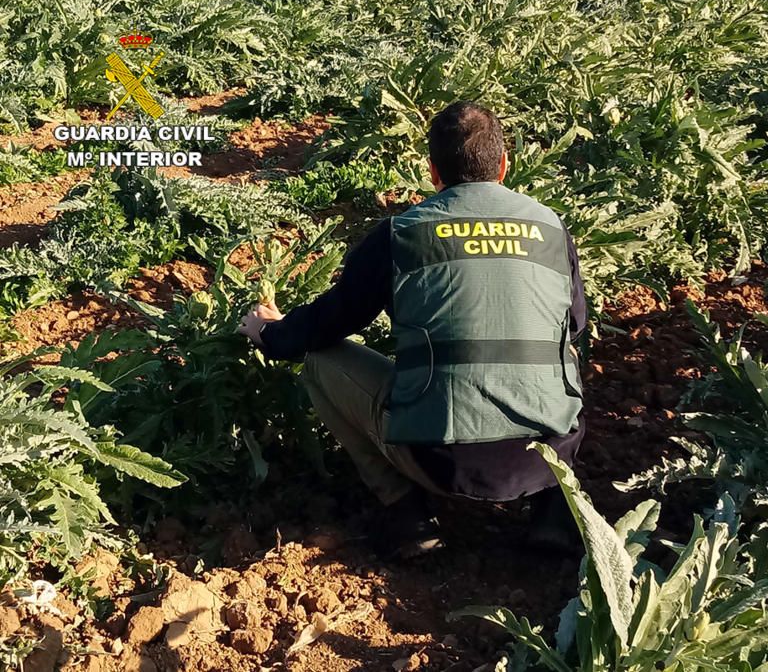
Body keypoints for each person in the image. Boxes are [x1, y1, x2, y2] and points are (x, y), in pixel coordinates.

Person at [238, 101, 586, 559]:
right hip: (547, 457)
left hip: (439, 462)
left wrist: (272, 334)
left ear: (432, 171)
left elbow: (329, 324)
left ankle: (407, 514)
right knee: (561, 352)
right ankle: (553, 509)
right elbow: (576, 324)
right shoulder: (552, 228)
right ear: (504, 164)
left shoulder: (402, 233)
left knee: (322, 361)